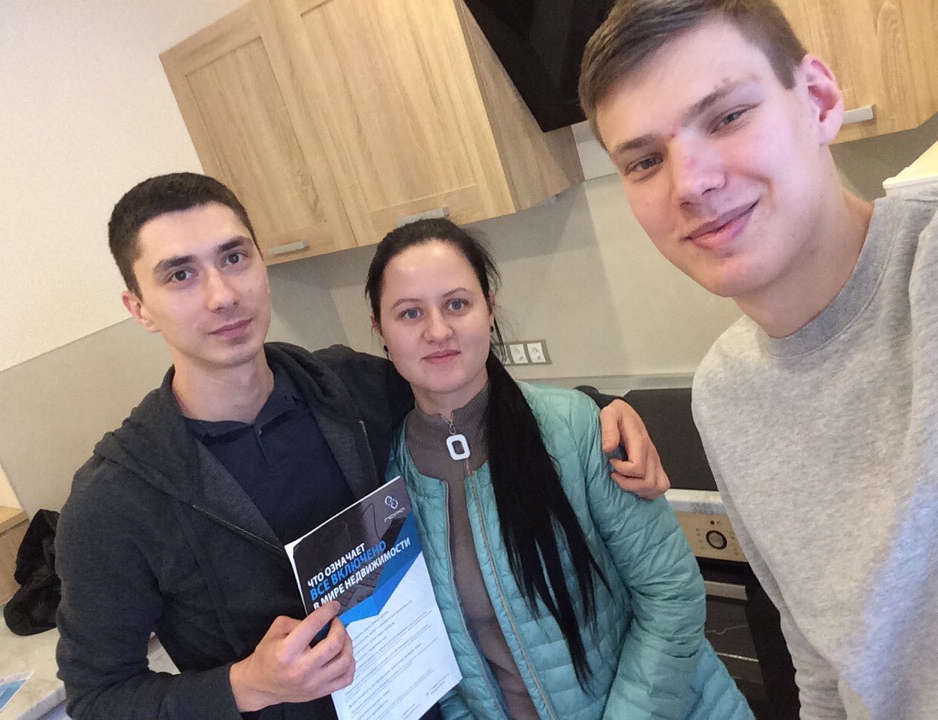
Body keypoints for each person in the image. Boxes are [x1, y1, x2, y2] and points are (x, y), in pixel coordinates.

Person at [54, 172, 668, 720]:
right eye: (180, 274)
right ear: (139, 308)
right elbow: (97, 697)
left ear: (262, 264)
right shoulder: (114, 502)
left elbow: (468, 386)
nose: (222, 294)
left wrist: (602, 408)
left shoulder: (350, 389)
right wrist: (245, 685)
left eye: (234, 257)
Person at [578, 1, 938, 718]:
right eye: (645, 161)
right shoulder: (723, 392)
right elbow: (822, 667)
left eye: (727, 116)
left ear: (820, 102)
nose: (690, 183)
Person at [365, 217, 753, 720]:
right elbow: (435, 662)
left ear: (489, 308)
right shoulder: (388, 480)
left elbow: (671, 595)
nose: (437, 331)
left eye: (457, 304)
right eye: (410, 313)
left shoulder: (576, 427)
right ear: (380, 330)